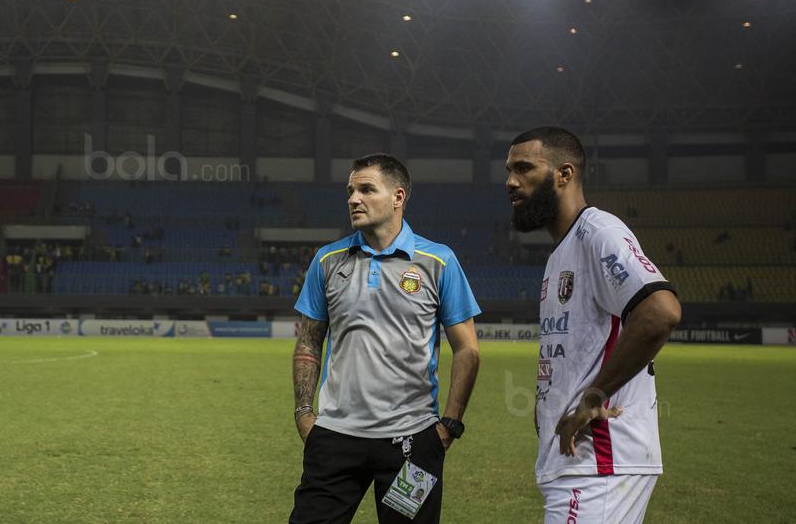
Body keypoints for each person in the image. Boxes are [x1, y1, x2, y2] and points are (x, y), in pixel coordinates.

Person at [291, 154, 482, 524]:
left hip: (413, 444)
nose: (353, 199)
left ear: (398, 197)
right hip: (334, 438)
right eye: (350, 191)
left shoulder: (438, 261)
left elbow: (467, 350)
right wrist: (303, 414)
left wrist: (449, 426)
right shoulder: (327, 260)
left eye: (366, 189)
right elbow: (309, 342)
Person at [505, 127, 681, 524]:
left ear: (564, 173)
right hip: (578, 463)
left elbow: (660, 311)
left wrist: (591, 399)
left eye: (524, 168)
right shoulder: (562, 251)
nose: (511, 181)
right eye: (509, 170)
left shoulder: (598, 233)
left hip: (599, 459)